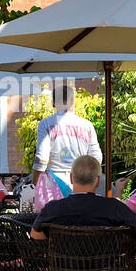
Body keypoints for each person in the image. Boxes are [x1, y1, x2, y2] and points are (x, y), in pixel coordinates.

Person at [31, 156, 136, 244]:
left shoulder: (53, 208)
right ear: (98, 181)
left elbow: (35, 235)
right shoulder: (114, 207)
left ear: (71, 178)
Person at [31, 81, 103, 213]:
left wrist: (35, 183)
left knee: (54, 224)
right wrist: (92, 181)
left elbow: (41, 158)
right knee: (79, 221)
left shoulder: (45, 124)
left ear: (53, 104)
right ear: (72, 102)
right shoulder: (87, 125)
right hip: (82, 181)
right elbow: (96, 157)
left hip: (53, 183)